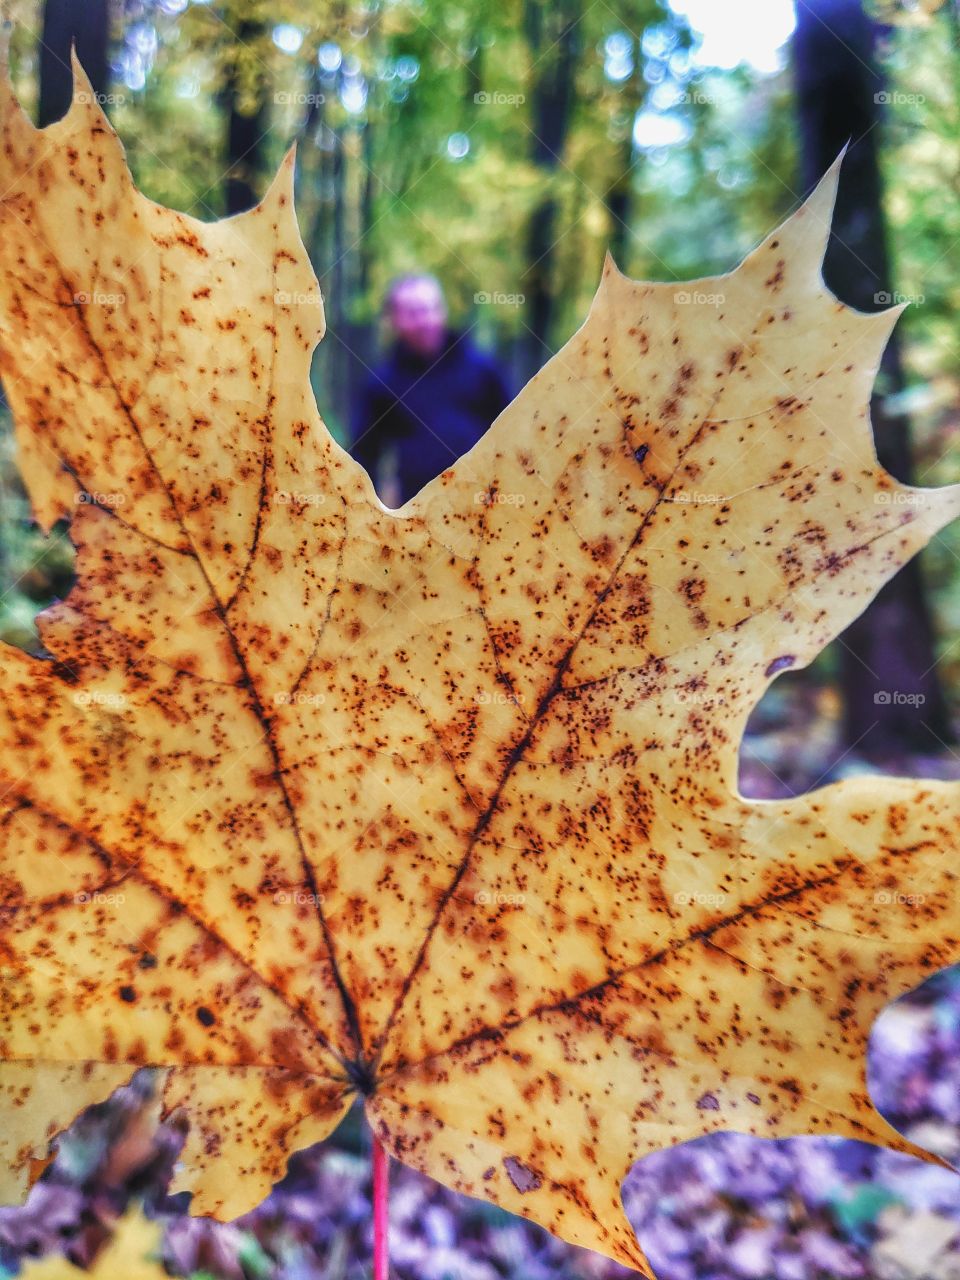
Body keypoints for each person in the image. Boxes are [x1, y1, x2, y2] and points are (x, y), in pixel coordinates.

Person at [350, 274, 513, 505]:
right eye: (413, 313)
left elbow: (513, 431)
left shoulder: (482, 369)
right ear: (395, 320)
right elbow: (364, 456)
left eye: (432, 308)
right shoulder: (382, 382)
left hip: (485, 511)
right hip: (418, 516)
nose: (425, 320)